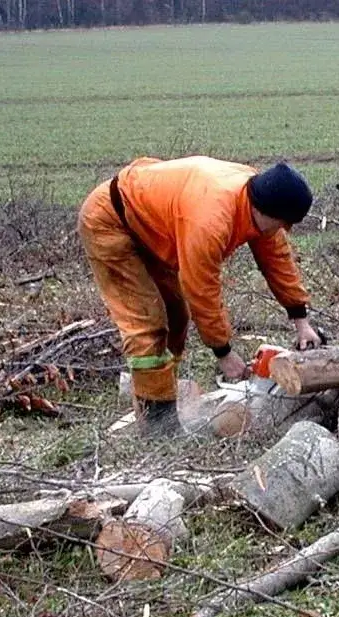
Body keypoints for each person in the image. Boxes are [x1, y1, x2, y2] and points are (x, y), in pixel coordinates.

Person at [77, 156, 320, 436]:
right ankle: (157, 425)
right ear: (266, 211)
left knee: (176, 316)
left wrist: (301, 319)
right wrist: (223, 352)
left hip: (151, 228)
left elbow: (277, 260)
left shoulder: (261, 198)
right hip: (111, 222)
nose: (283, 230)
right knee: (148, 324)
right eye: (282, 223)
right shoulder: (210, 221)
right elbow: (202, 290)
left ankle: (163, 393)